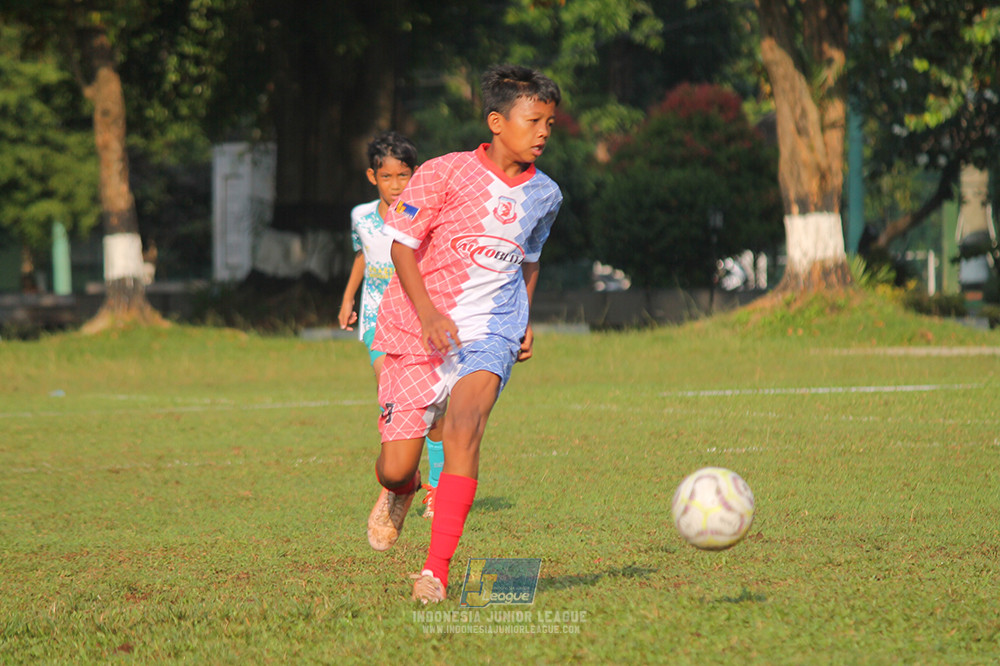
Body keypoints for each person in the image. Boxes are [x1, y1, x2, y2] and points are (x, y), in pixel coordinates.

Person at [365, 64, 563, 603]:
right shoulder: (444, 172)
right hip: (415, 330)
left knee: (465, 427)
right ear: (497, 122)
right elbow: (401, 244)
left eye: (550, 121)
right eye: (534, 120)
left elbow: (530, 260)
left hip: (490, 332)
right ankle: (399, 491)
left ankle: (435, 571)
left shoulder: (546, 194)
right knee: (395, 465)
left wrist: (522, 320)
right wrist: (428, 313)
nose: (544, 131)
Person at [339, 131, 445, 518]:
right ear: (372, 177)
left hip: (414, 320)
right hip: (375, 319)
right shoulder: (362, 217)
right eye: (387, 177)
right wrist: (349, 297)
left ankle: (433, 484)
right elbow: (362, 257)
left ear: (414, 175)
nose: (396, 185)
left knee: (431, 407)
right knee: (393, 391)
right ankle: (402, 476)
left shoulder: (422, 215)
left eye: (403, 176)